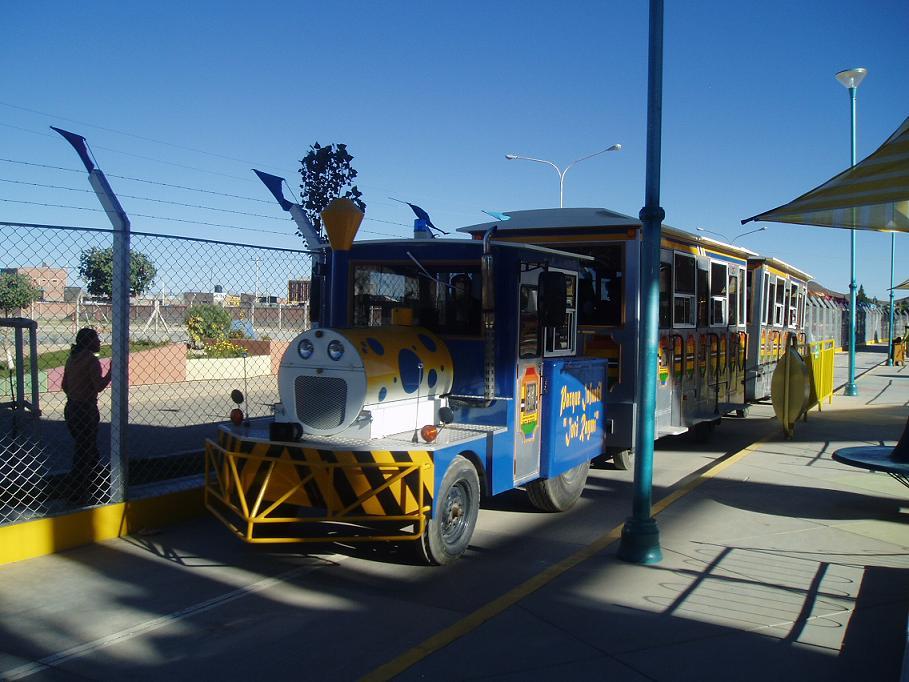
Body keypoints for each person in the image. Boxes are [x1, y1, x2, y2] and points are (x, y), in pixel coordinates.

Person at [61, 328, 111, 504]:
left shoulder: (72, 359)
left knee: (88, 449)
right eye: (96, 339)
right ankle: (77, 491)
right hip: (86, 409)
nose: (99, 342)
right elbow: (99, 386)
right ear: (88, 342)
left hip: (71, 408)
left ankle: (94, 486)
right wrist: (112, 372)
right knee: (84, 453)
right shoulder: (91, 360)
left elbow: (64, 385)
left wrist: (76, 393)